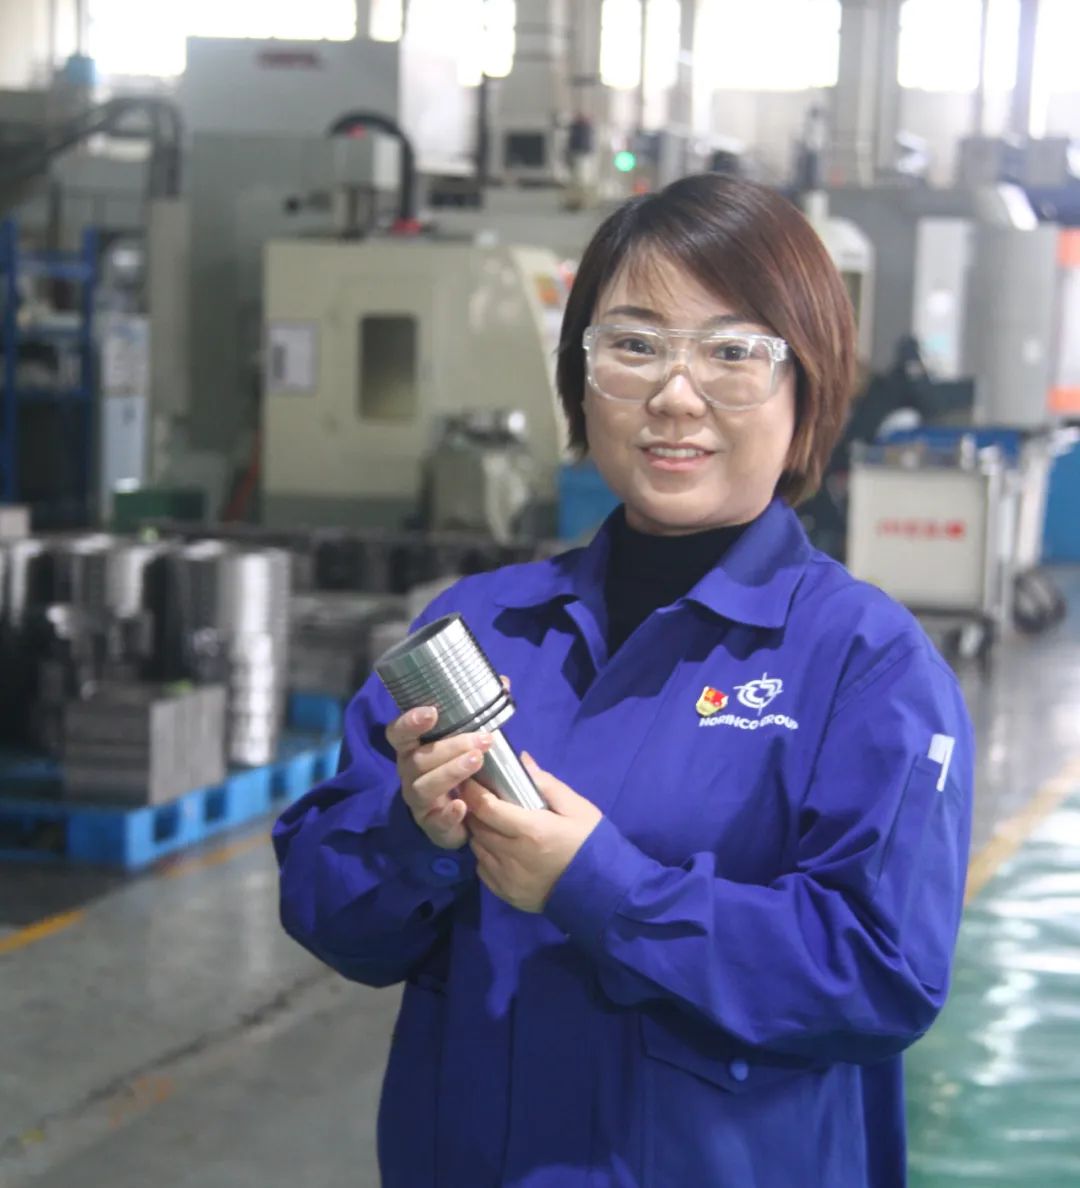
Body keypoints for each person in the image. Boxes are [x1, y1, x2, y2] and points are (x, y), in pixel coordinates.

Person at [273, 174, 974, 1188]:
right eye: (635, 345)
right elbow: (328, 913)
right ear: (581, 373)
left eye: (733, 352)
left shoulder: (866, 666)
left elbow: (881, 975)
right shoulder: (481, 630)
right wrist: (415, 841)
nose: (675, 396)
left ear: (807, 386)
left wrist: (602, 888)